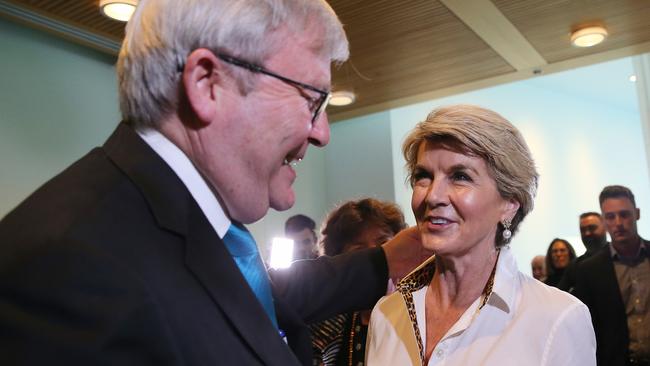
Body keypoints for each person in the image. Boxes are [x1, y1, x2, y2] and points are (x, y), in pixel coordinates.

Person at [0, 1, 428, 365]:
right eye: (312, 99)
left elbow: (255, 297)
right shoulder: (68, 268)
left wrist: (386, 259)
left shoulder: (192, 229)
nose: (322, 133)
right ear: (208, 84)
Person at [366, 105, 595, 365]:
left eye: (460, 176)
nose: (433, 196)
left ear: (509, 202)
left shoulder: (557, 318)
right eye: (423, 176)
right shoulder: (386, 313)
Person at [310, 198, 407, 366]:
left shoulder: (422, 311)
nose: (376, 256)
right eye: (360, 251)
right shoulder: (329, 326)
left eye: (384, 243)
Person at [573, 185, 650, 365]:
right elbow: (588, 329)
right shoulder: (589, 270)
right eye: (610, 217)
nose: (618, 223)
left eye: (624, 214)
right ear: (604, 220)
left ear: (636, 214)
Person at [558, 212, 608, 292]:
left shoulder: (617, 258)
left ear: (606, 228)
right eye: (583, 230)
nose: (587, 233)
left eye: (592, 228)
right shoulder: (575, 266)